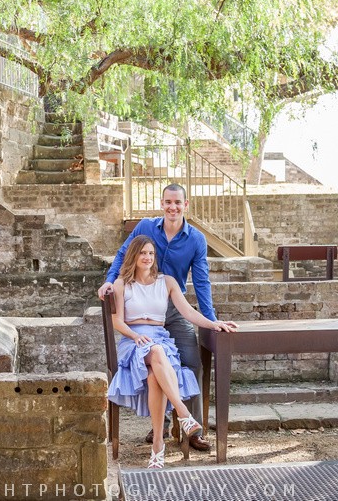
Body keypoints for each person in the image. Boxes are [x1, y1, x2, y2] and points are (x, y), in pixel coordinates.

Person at [99, 183, 218, 451]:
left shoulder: (196, 239)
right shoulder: (145, 227)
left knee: (191, 363)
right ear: (161, 204)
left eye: (178, 202)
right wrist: (109, 281)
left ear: (185, 205)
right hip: (140, 308)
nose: (172, 207)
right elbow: (123, 254)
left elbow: (201, 282)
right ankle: (160, 425)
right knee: (154, 362)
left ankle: (192, 428)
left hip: (172, 307)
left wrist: (212, 322)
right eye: (168, 202)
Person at [106, 235, 237, 468]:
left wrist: (213, 323)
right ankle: (184, 414)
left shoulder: (166, 282)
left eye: (151, 253)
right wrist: (135, 336)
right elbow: (117, 322)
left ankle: (158, 445)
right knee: (155, 352)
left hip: (159, 338)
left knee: (155, 374)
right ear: (134, 256)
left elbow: (188, 312)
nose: (147, 257)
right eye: (142, 253)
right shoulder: (121, 284)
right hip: (132, 340)